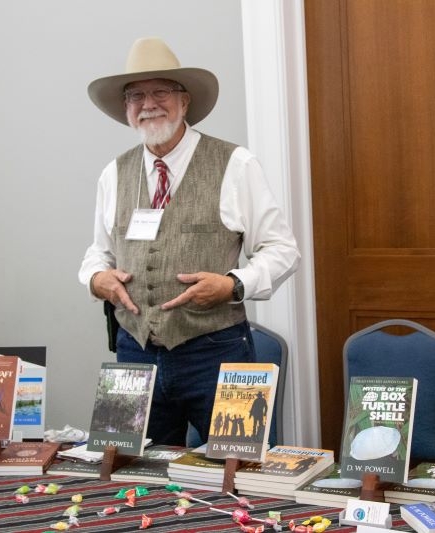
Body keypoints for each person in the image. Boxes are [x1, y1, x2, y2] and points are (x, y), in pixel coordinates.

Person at [79, 37, 299, 446]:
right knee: (131, 475)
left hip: (216, 352)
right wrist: (95, 279)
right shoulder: (113, 173)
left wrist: (232, 284)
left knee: (242, 469)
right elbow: (99, 252)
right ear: (126, 109)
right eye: (136, 95)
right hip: (133, 352)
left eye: (160, 91)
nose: (149, 104)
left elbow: (283, 250)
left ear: (184, 101)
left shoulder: (236, 164)